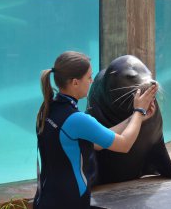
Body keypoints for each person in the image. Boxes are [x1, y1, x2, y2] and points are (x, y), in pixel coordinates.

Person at [34, 51, 157, 209]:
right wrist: (138, 112)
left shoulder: (47, 109)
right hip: (71, 203)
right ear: (75, 82)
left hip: (45, 200)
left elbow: (96, 142)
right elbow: (125, 145)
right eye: (88, 77)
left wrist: (134, 119)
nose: (92, 81)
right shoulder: (77, 119)